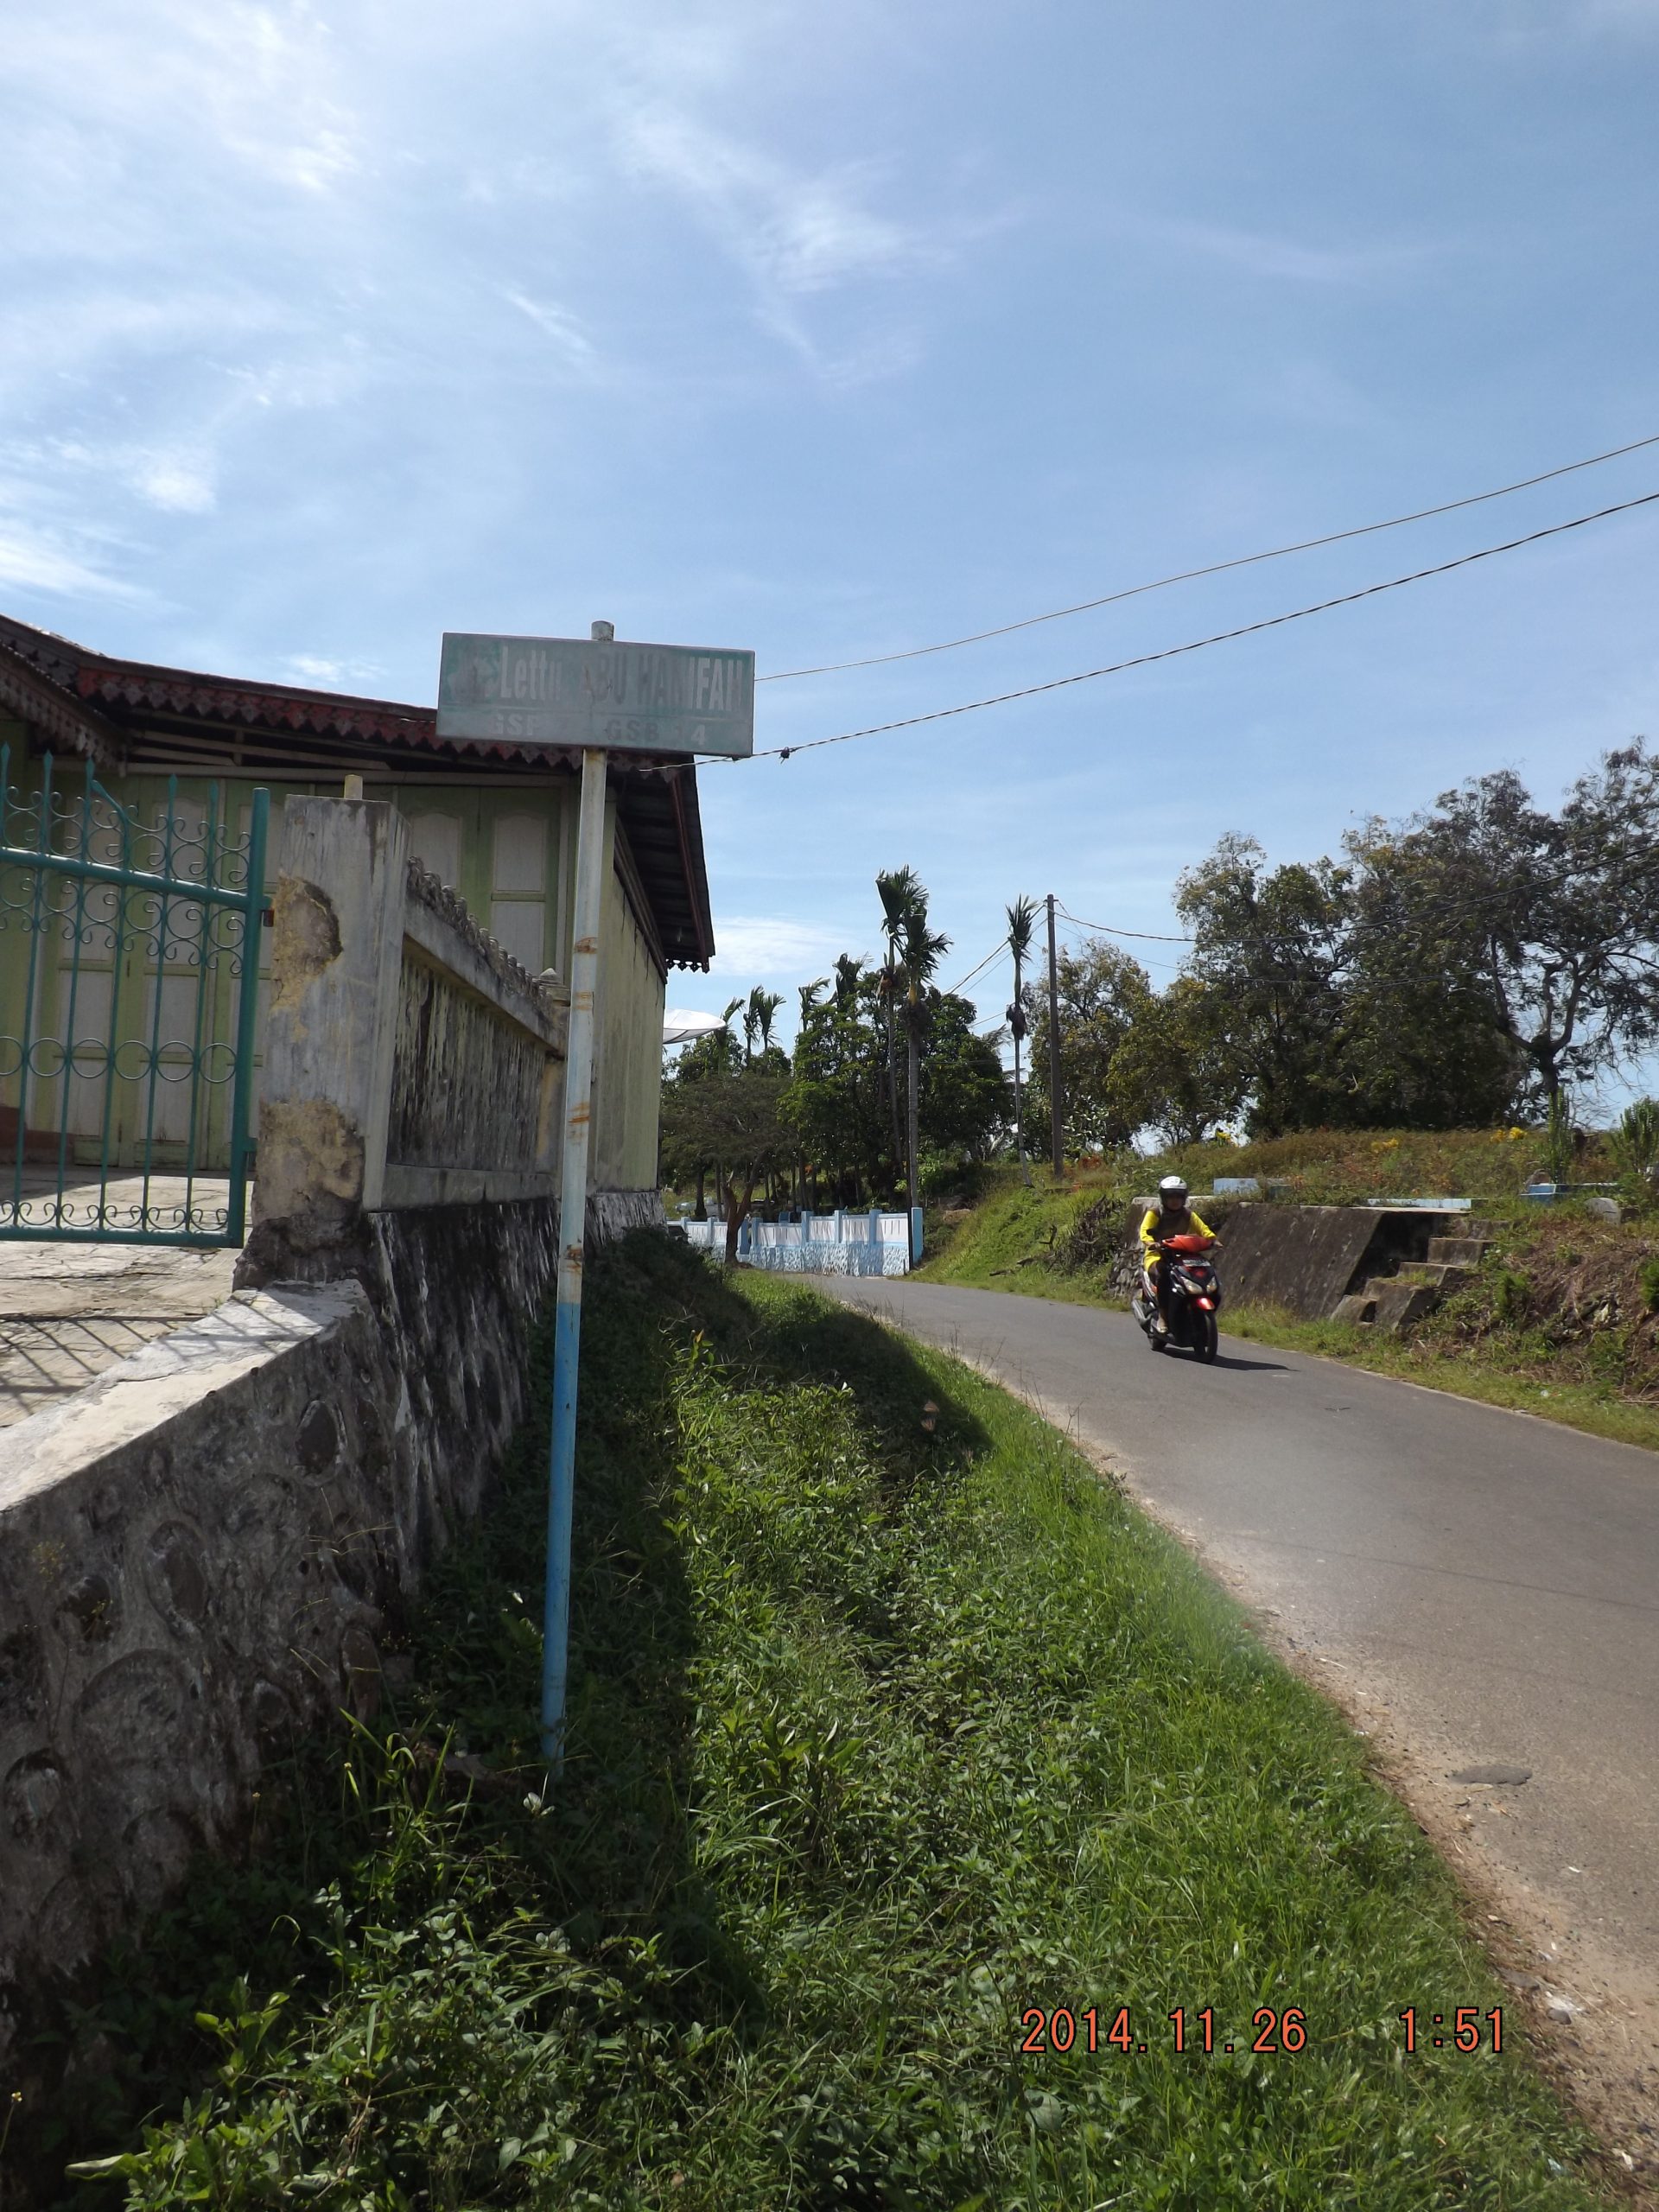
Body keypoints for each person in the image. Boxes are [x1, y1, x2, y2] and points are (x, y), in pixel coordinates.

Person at [1138, 1174, 1217, 1335]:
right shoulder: (1155, 1213)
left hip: (1181, 1255)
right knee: (1163, 1275)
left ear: (1184, 1197)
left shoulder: (1188, 1214)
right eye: (1170, 1196)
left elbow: (1204, 1229)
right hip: (1158, 1255)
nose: (1175, 1200)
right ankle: (1163, 1316)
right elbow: (1145, 1232)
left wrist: (1213, 1240)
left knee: (1204, 1271)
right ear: (1163, 1197)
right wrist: (1151, 1243)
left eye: (1178, 1196)